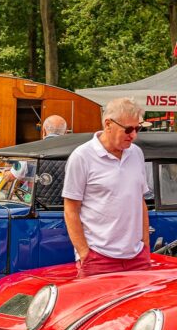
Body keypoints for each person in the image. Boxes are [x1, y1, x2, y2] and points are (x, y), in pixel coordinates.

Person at [62, 98, 152, 277]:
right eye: (128, 129)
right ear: (108, 124)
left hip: (137, 257)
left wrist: (145, 247)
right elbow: (70, 209)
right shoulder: (82, 156)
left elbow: (139, 201)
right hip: (99, 257)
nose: (134, 135)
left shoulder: (136, 153)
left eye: (137, 128)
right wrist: (85, 254)